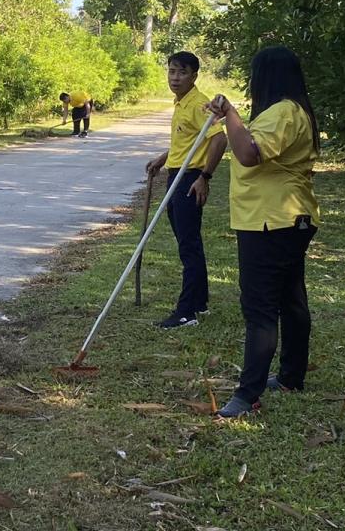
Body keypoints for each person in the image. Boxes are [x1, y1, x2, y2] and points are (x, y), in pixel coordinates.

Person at [205, 45, 321, 418]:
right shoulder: (290, 111)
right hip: (286, 219)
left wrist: (232, 115)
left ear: (264, 77)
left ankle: (247, 395)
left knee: (260, 309)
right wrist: (230, 118)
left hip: (271, 222)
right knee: (290, 299)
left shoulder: (284, 111)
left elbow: (249, 153)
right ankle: (291, 376)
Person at [144, 51, 228, 329]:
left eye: (181, 73)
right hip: (176, 174)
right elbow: (189, 141)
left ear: (194, 76)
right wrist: (163, 158)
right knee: (188, 241)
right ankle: (200, 301)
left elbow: (219, 140)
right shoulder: (182, 103)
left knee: (188, 246)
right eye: (171, 71)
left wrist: (205, 176)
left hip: (189, 179)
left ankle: (186, 312)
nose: (175, 78)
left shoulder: (199, 105)